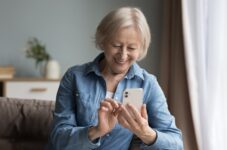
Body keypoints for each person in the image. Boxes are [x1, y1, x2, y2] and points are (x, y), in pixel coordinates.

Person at [47, 7, 183, 150]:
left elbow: (176, 143)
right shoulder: (75, 77)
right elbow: (58, 139)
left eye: (131, 48)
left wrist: (145, 133)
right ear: (103, 41)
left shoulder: (148, 84)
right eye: (116, 45)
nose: (123, 55)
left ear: (141, 48)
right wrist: (96, 131)